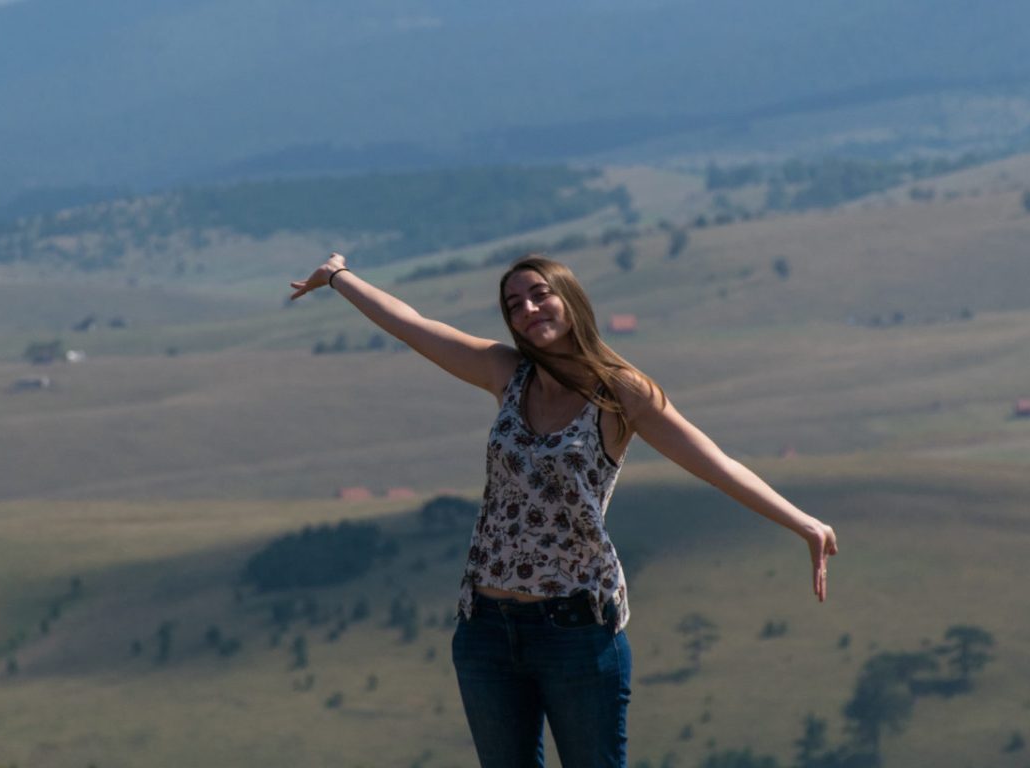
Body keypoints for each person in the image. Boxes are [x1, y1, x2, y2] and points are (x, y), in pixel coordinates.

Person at [288, 252, 838, 768]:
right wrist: (338, 276)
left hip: (576, 629)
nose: (527, 310)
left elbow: (715, 462)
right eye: (513, 306)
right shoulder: (505, 374)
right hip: (484, 627)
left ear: (570, 300)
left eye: (539, 295)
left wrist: (803, 522)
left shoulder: (621, 392)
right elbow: (411, 324)